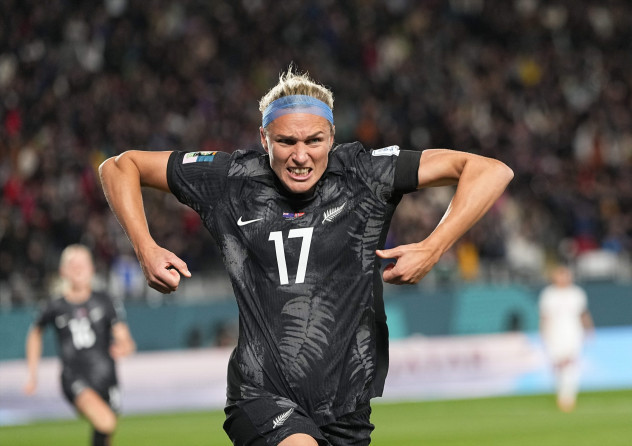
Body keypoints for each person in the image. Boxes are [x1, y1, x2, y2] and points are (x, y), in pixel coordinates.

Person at [99, 67, 513, 446]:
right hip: (260, 392)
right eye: (286, 141)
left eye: (314, 140)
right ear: (264, 139)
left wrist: (433, 246)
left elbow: (490, 170)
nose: (301, 156)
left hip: (348, 403)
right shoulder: (230, 179)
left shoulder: (365, 175)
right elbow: (120, 167)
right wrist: (145, 247)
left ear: (332, 136)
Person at [24, 244, 136, 446]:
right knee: (106, 422)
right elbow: (35, 332)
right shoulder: (55, 305)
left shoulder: (105, 301)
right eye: (72, 264)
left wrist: (125, 347)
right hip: (75, 377)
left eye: (82, 264)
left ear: (92, 268)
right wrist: (33, 374)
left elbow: (124, 338)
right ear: (63, 271)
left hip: (107, 377)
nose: (78, 269)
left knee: (103, 436)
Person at [539, 265, 594, 413]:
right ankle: (560, 393)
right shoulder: (548, 294)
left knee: (571, 364)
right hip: (554, 334)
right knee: (557, 366)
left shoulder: (577, 293)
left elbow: (583, 313)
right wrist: (543, 333)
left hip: (573, 333)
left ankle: (568, 397)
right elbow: (545, 316)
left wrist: (589, 329)